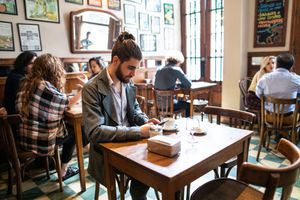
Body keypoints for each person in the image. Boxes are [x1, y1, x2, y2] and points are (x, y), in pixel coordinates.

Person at [82, 32, 166, 200]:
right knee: (147, 168)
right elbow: (95, 132)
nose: (133, 74)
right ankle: (138, 193)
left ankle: (138, 193)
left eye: (136, 68)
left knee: (163, 163)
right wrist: (139, 131)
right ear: (115, 61)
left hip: (131, 144)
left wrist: (145, 121)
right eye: (131, 68)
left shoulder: (127, 82)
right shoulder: (91, 88)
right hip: (107, 152)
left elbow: (134, 110)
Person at [16, 53, 89, 181]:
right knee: (76, 132)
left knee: (75, 130)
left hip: (23, 136)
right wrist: (83, 90)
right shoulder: (43, 85)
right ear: (52, 69)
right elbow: (66, 103)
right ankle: (63, 171)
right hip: (38, 140)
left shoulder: (26, 82)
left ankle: (89, 152)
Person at [256, 53, 300, 124]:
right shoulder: (297, 79)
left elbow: (259, 94)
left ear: (276, 64)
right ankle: (290, 134)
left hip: (269, 117)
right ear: (291, 66)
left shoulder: (264, 78)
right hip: (289, 118)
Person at [154, 50, 192, 117]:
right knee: (188, 105)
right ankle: (187, 123)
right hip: (170, 105)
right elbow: (188, 84)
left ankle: (169, 123)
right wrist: (180, 84)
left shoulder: (159, 69)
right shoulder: (176, 69)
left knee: (176, 101)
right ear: (178, 61)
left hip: (158, 105)